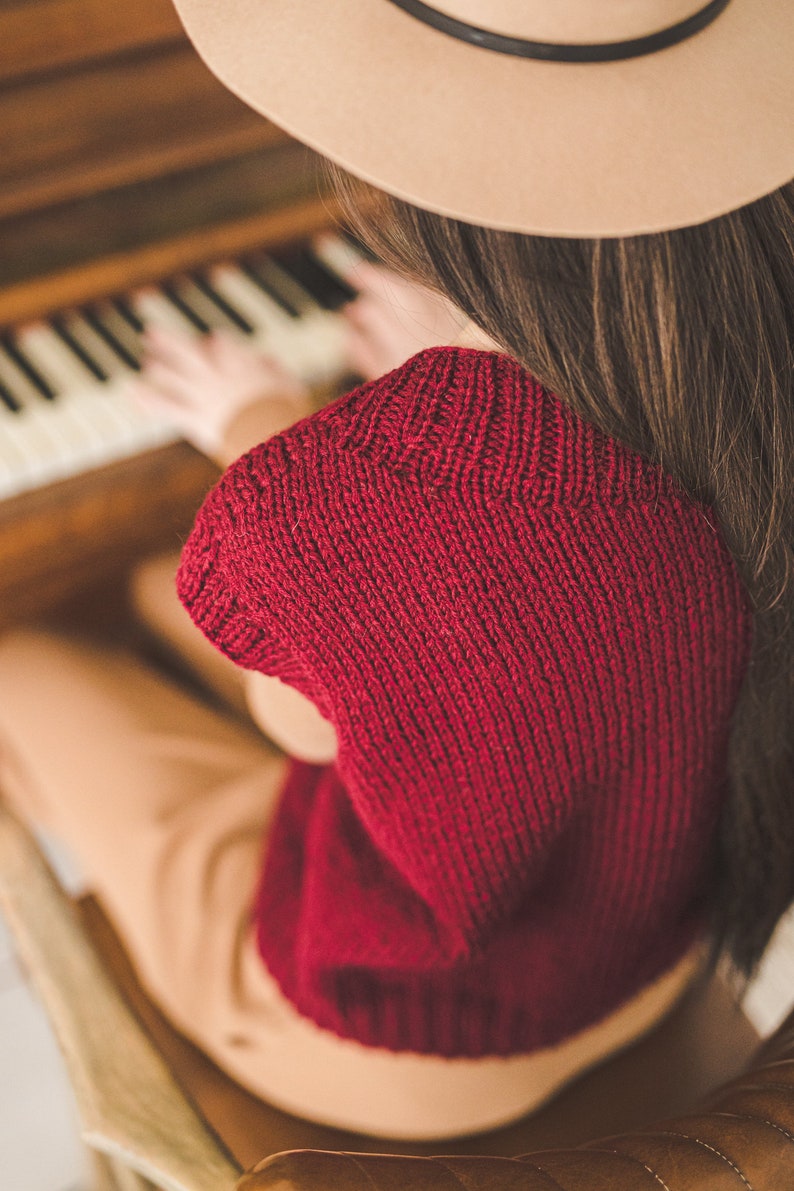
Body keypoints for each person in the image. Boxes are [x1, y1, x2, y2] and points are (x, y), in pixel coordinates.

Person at [0, 0, 791, 1141]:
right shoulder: (743, 383)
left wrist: (262, 420)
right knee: (141, 594)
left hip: (406, 1030)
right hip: (645, 946)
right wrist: (463, 351)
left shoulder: (320, 505)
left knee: (21, 664)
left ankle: (111, 945)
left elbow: (306, 726)